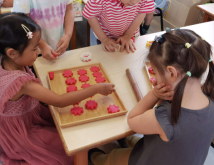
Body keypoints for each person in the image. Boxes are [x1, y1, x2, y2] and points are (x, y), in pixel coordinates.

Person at [0, 13, 115, 165]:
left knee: (63, 127)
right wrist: (95, 89)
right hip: (17, 132)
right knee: (68, 147)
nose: (38, 52)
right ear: (12, 52)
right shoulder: (22, 83)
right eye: (35, 48)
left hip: (14, 119)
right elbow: (60, 101)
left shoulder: (7, 60)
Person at [89, 29, 214, 165]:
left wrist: (154, 94)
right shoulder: (210, 103)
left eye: (154, 72)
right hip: (182, 158)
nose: (154, 77)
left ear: (171, 73)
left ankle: (94, 158)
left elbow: (132, 121)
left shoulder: (165, 117)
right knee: (145, 143)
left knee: (114, 156)